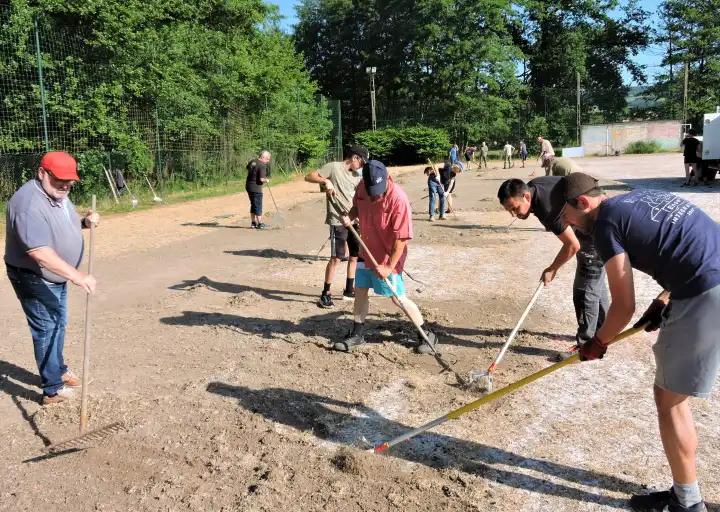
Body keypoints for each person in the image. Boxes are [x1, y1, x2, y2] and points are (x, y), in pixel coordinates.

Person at [561, 172, 720, 512]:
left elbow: (623, 306)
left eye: (566, 215)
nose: (566, 223)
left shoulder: (604, 226)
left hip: (707, 291)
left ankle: (688, 503)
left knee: (670, 399)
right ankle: (686, 494)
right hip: (706, 279)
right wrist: (664, 298)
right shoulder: (635, 197)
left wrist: (597, 343)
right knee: (673, 397)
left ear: (583, 203)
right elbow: (687, 239)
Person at [5, 151, 99, 405]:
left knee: (58, 321)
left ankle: (56, 368)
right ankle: (52, 389)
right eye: (60, 180)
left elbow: (60, 224)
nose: (66, 185)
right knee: (47, 327)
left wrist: (84, 222)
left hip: (54, 276)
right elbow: (40, 253)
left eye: (70, 180)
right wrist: (77, 276)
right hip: (33, 275)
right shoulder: (27, 205)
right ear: (42, 173)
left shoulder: (58, 194)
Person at [334, 160, 438, 354]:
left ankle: (426, 333)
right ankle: (357, 333)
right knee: (361, 289)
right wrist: (349, 216)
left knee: (397, 299)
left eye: (378, 192)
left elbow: (402, 238)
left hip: (389, 255)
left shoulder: (398, 199)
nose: (375, 197)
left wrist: (389, 266)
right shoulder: (362, 188)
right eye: (371, 192)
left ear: (387, 180)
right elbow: (357, 206)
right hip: (367, 250)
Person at [497, 176, 608, 347]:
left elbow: (572, 245)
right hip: (593, 218)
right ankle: (605, 330)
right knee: (595, 284)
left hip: (595, 225)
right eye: (509, 211)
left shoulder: (546, 208)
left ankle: (587, 343)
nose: (514, 214)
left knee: (584, 289)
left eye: (515, 208)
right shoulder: (533, 186)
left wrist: (552, 268)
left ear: (526, 197)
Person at [304, 146, 368, 308]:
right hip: (337, 219)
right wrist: (325, 181)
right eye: (361, 162)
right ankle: (325, 294)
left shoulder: (356, 177)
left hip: (353, 219)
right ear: (354, 158)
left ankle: (349, 289)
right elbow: (309, 176)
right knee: (337, 257)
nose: (361, 166)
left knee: (355, 256)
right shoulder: (333, 167)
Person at [245, 150, 271, 229]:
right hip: (256, 188)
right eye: (267, 159)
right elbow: (261, 179)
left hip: (248, 186)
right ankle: (260, 223)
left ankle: (253, 223)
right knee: (258, 205)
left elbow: (247, 168)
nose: (268, 161)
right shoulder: (262, 165)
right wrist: (267, 180)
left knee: (253, 204)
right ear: (263, 157)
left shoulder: (253, 161)